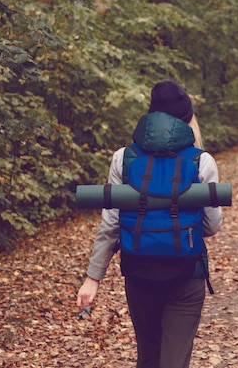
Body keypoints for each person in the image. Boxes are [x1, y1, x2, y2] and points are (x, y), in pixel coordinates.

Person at [76, 80, 223, 368]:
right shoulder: (201, 161)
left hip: (139, 273)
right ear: (188, 119)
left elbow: (111, 224)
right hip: (187, 273)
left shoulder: (124, 158)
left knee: (148, 356)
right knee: (174, 361)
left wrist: (93, 278)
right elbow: (211, 225)